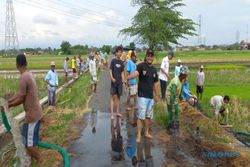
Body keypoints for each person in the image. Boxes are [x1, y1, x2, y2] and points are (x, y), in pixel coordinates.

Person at [7, 54, 43, 164]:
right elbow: (20, 94)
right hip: (34, 114)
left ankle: (40, 160)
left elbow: (21, 99)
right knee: (27, 139)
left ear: (17, 64)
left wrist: (9, 105)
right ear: (25, 63)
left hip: (33, 116)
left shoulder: (23, 77)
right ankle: (31, 159)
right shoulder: (29, 74)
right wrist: (8, 102)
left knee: (29, 145)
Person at [127, 49, 159, 143]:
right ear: (146, 56)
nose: (150, 57)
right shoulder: (141, 65)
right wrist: (129, 77)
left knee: (148, 116)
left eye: (151, 56)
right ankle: (138, 135)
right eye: (148, 56)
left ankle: (146, 132)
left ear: (153, 57)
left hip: (150, 97)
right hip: (142, 96)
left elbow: (156, 83)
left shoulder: (154, 69)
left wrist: (157, 95)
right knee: (141, 117)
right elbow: (136, 73)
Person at [166, 66, 189, 131]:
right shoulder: (175, 81)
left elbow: (180, 91)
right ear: (182, 74)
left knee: (176, 111)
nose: (186, 76)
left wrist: (182, 98)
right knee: (171, 111)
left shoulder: (181, 80)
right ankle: (169, 126)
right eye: (186, 75)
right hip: (170, 96)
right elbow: (172, 95)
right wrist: (172, 105)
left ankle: (176, 124)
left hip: (174, 96)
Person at [109, 46, 126, 120]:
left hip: (119, 83)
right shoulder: (113, 61)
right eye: (118, 52)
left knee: (118, 98)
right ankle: (112, 114)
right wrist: (112, 78)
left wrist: (123, 80)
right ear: (116, 52)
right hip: (114, 82)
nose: (119, 53)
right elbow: (110, 70)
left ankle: (118, 112)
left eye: (121, 52)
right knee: (113, 97)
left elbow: (122, 72)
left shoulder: (121, 62)